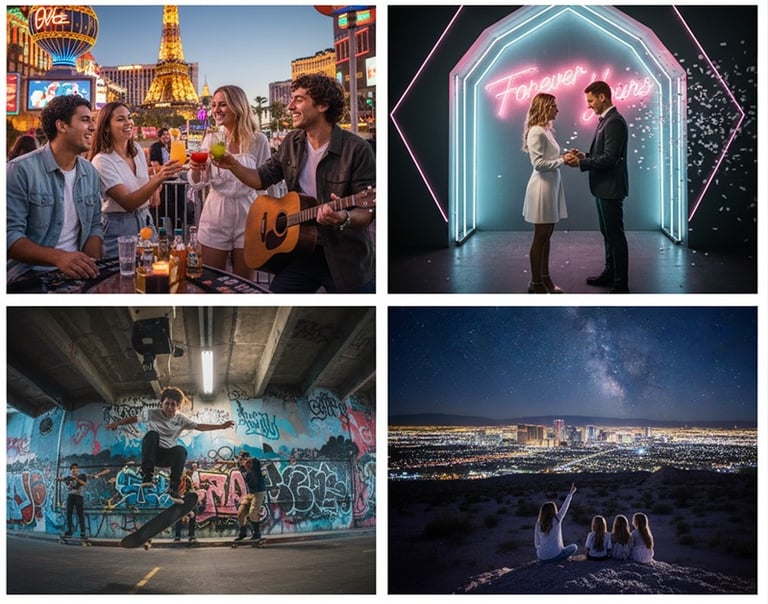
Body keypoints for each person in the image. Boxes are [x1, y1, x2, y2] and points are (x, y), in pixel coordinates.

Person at [213, 73, 376, 293]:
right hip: (301, 250)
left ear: (323, 105)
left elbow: (367, 211)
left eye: (298, 99)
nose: (290, 106)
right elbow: (261, 179)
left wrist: (343, 217)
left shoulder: (356, 149)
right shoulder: (292, 142)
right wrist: (232, 164)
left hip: (344, 258)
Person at [7, 95, 103, 284]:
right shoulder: (19, 170)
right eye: (85, 120)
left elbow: (94, 226)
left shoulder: (90, 172)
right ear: (62, 126)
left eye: (93, 120)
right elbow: (9, 236)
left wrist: (91, 266)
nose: (93, 126)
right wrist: (59, 258)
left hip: (76, 273)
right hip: (30, 274)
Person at [188, 85, 272, 280]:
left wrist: (264, 220)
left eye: (223, 104)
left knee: (243, 284)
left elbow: (265, 183)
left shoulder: (259, 140)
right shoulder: (212, 139)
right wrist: (194, 169)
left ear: (238, 106)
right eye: (214, 105)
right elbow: (199, 183)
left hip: (248, 215)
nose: (216, 109)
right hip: (216, 213)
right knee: (210, 281)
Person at [105, 386, 234, 503]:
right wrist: (117, 424)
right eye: (167, 404)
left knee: (180, 450)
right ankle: (147, 476)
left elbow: (199, 427)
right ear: (162, 403)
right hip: (152, 454)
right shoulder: (152, 413)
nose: (170, 408)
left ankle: (173, 489)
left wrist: (221, 426)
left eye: (173, 405)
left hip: (167, 457)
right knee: (151, 434)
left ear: (178, 406)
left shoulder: (181, 419)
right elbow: (134, 418)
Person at [89, 102, 181, 257]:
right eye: (120, 119)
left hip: (146, 221)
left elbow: (144, 182)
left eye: (129, 117)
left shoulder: (137, 149)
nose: (128, 123)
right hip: (119, 227)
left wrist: (156, 189)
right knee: (122, 276)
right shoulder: (102, 161)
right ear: (106, 127)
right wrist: (159, 177)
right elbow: (128, 202)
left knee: (152, 274)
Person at [564, 80, 630, 293]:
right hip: (604, 188)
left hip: (610, 189)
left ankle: (620, 284)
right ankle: (610, 274)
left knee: (615, 236)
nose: (589, 105)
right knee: (608, 234)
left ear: (603, 97)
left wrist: (582, 163)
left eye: (591, 101)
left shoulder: (614, 122)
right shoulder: (606, 121)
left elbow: (610, 159)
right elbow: (604, 155)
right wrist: (585, 155)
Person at [522, 93, 570, 294]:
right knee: (540, 236)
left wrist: (565, 156)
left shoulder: (546, 130)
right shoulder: (536, 132)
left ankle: (544, 278)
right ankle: (535, 282)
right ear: (544, 108)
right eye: (554, 106)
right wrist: (563, 161)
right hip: (542, 188)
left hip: (551, 186)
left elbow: (548, 157)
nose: (557, 110)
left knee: (547, 235)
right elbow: (538, 164)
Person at [56, 463, 109, 539]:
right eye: (72, 469)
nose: (74, 470)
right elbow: (63, 479)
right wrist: (58, 479)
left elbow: (85, 483)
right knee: (69, 514)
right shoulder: (69, 477)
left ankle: (82, 532)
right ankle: (69, 531)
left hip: (79, 496)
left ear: (77, 469)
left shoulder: (82, 476)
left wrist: (77, 479)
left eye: (75, 468)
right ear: (71, 470)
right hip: (71, 496)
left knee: (80, 514)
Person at [223, 451, 267, 541]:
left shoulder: (256, 467)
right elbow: (233, 463)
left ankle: (257, 533)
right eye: (244, 464)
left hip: (259, 492)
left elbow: (255, 460)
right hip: (250, 493)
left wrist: (246, 459)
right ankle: (243, 533)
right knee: (240, 513)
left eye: (247, 463)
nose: (246, 466)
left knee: (252, 513)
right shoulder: (242, 468)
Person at [534, 482, 578, 562]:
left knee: (543, 550)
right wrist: (570, 493)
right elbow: (565, 507)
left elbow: (537, 544)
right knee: (574, 547)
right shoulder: (557, 519)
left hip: (542, 557)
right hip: (556, 556)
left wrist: (544, 551)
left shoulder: (538, 524)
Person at [173, 468, 198, 543]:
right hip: (179, 501)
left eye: (183, 473)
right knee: (178, 518)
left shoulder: (187, 479)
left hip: (188, 501)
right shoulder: (175, 481)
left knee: (192, 516)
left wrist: (189, 508)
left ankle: (191, 535)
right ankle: (177, 536)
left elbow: (191, 491)